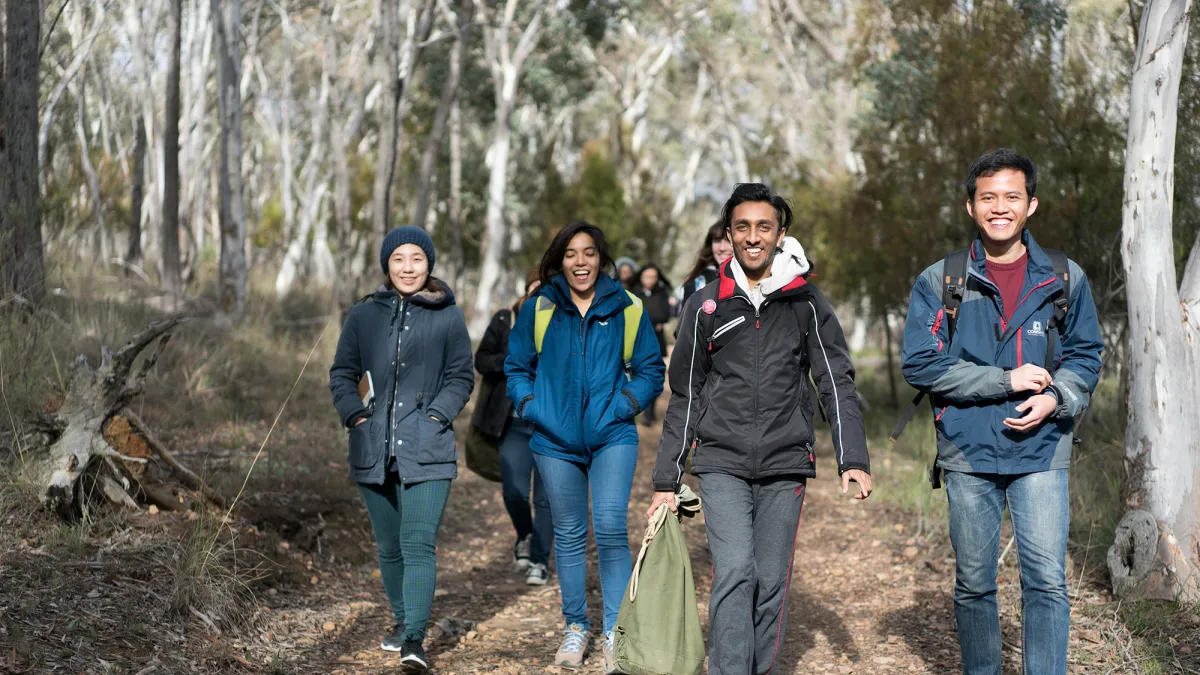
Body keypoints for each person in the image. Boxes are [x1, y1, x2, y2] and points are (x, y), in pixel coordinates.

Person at [649, 183, 873, 675]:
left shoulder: (806, 303)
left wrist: (852, 458)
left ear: (780, 234)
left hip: (785, 460)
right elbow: (685, 393)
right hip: (721, 460)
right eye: (743, 227)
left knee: (770, 581)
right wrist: (668, 479)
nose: (753, 237)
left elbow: (834, 379)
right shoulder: (706, 306)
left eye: (764, 227)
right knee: (733, 572)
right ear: (729, 234)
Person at [899, 149, 1103, 675]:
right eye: (987, 197)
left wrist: (1057, 396)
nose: (999, 207)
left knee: (1046, 582)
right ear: (971, 206)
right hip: (967, 451)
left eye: (1012, 196)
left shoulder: (1063, 277)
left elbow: (1085, 354)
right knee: (973, 585)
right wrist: (1004, 381)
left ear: (1031, 205)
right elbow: (921, 365)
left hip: (1040, 450)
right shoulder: (941, 280)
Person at [505, 221, 665, 672]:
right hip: (553, 440)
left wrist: (624, 404)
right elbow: (516, 368)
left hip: (612, 434)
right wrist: (534, 407)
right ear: (560, 260)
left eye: (589, 252)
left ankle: (616, 631)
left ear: (601, 257)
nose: (581, 262)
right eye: (572, 253)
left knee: (612, 528)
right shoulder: (539, 307)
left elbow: (651, 369)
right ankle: (576, 626)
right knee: (571, 534)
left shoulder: (626, 307)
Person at [329, 225, 474, 673]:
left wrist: (437, 416)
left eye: (416, 258)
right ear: (386, 264)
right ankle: (400, 618)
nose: (407, 267)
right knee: (389, 546)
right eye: (398, 259)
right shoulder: (362, 315)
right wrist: (355, 415)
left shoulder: (447, 315)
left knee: (417, 543)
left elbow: (461, 376)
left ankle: (414, 636)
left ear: (429, 264)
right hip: (371, 447)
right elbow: (341, 373)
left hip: (428, 449)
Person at [472, 270, 554, 586]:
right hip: (513, 423)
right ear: (526, 287)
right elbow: (482, 360)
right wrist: (514, 358)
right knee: (514, 492)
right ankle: (525, 534)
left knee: (546, 499)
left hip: (551, 427)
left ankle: (539, 560)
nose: (540, 294)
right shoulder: (506, 319)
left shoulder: (564, 321)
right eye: (536, 286)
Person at [634, 263, 673, 423]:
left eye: (653, 277)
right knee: (637, 375)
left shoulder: (661, 293)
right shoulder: (634, 292)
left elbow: (664, 315)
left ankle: (649, 413)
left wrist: (650, 319)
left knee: (654, 376)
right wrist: (652, 319)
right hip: (636, 341)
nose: (650, 280)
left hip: (656, 341)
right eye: (647, 276)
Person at [673, 220, 735, 312]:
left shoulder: (754, 279)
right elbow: (687, 323)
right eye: (717, 241)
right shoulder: (696, 282)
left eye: (728, 241)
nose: (722, 248)